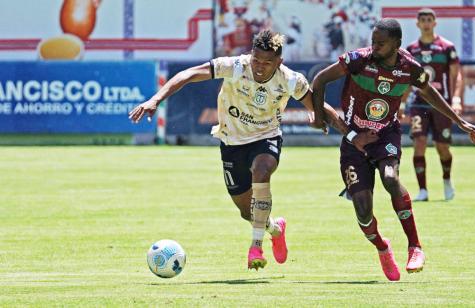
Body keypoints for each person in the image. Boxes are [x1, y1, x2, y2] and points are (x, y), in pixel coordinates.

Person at [129, 29, 349, 271]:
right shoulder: (235, 66)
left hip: (267, 137)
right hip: (231, 142)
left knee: (262, 170)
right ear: (250, 55)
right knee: (248, 212)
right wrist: (155, 100)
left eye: (267, 63)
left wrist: (350, 134)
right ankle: (275, 229)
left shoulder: (290, 79)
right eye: (256, 60)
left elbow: (319, 105)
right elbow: (188, 74)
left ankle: (256, 247)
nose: (260, 67)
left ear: (279, 62)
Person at [311, 18, 475, 281]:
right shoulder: (358, 60)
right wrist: (322, 120)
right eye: (373, 42)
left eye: (381, 43)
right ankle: (382, 247)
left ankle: (415, 247)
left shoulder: (410, 67)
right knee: (363, 209)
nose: (374, 47)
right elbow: (320, 80)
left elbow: (428, 91)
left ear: (396, 44)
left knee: (390, 178)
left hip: (385, 136)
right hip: (354, 140)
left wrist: (459, 120)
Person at [403, 8, 464, 201]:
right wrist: (402, 103)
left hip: (441, 104)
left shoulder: (447, 47)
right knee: (419, 143)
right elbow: (406, 79)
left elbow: (457, 75)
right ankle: (423, 190)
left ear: (435, 23)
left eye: (430, 20)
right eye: (423, 20)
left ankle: (446, 180)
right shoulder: (411, 50)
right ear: (417, 24)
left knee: (442, 147)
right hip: (418, 104)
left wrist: (456, 98)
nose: (426, 23)